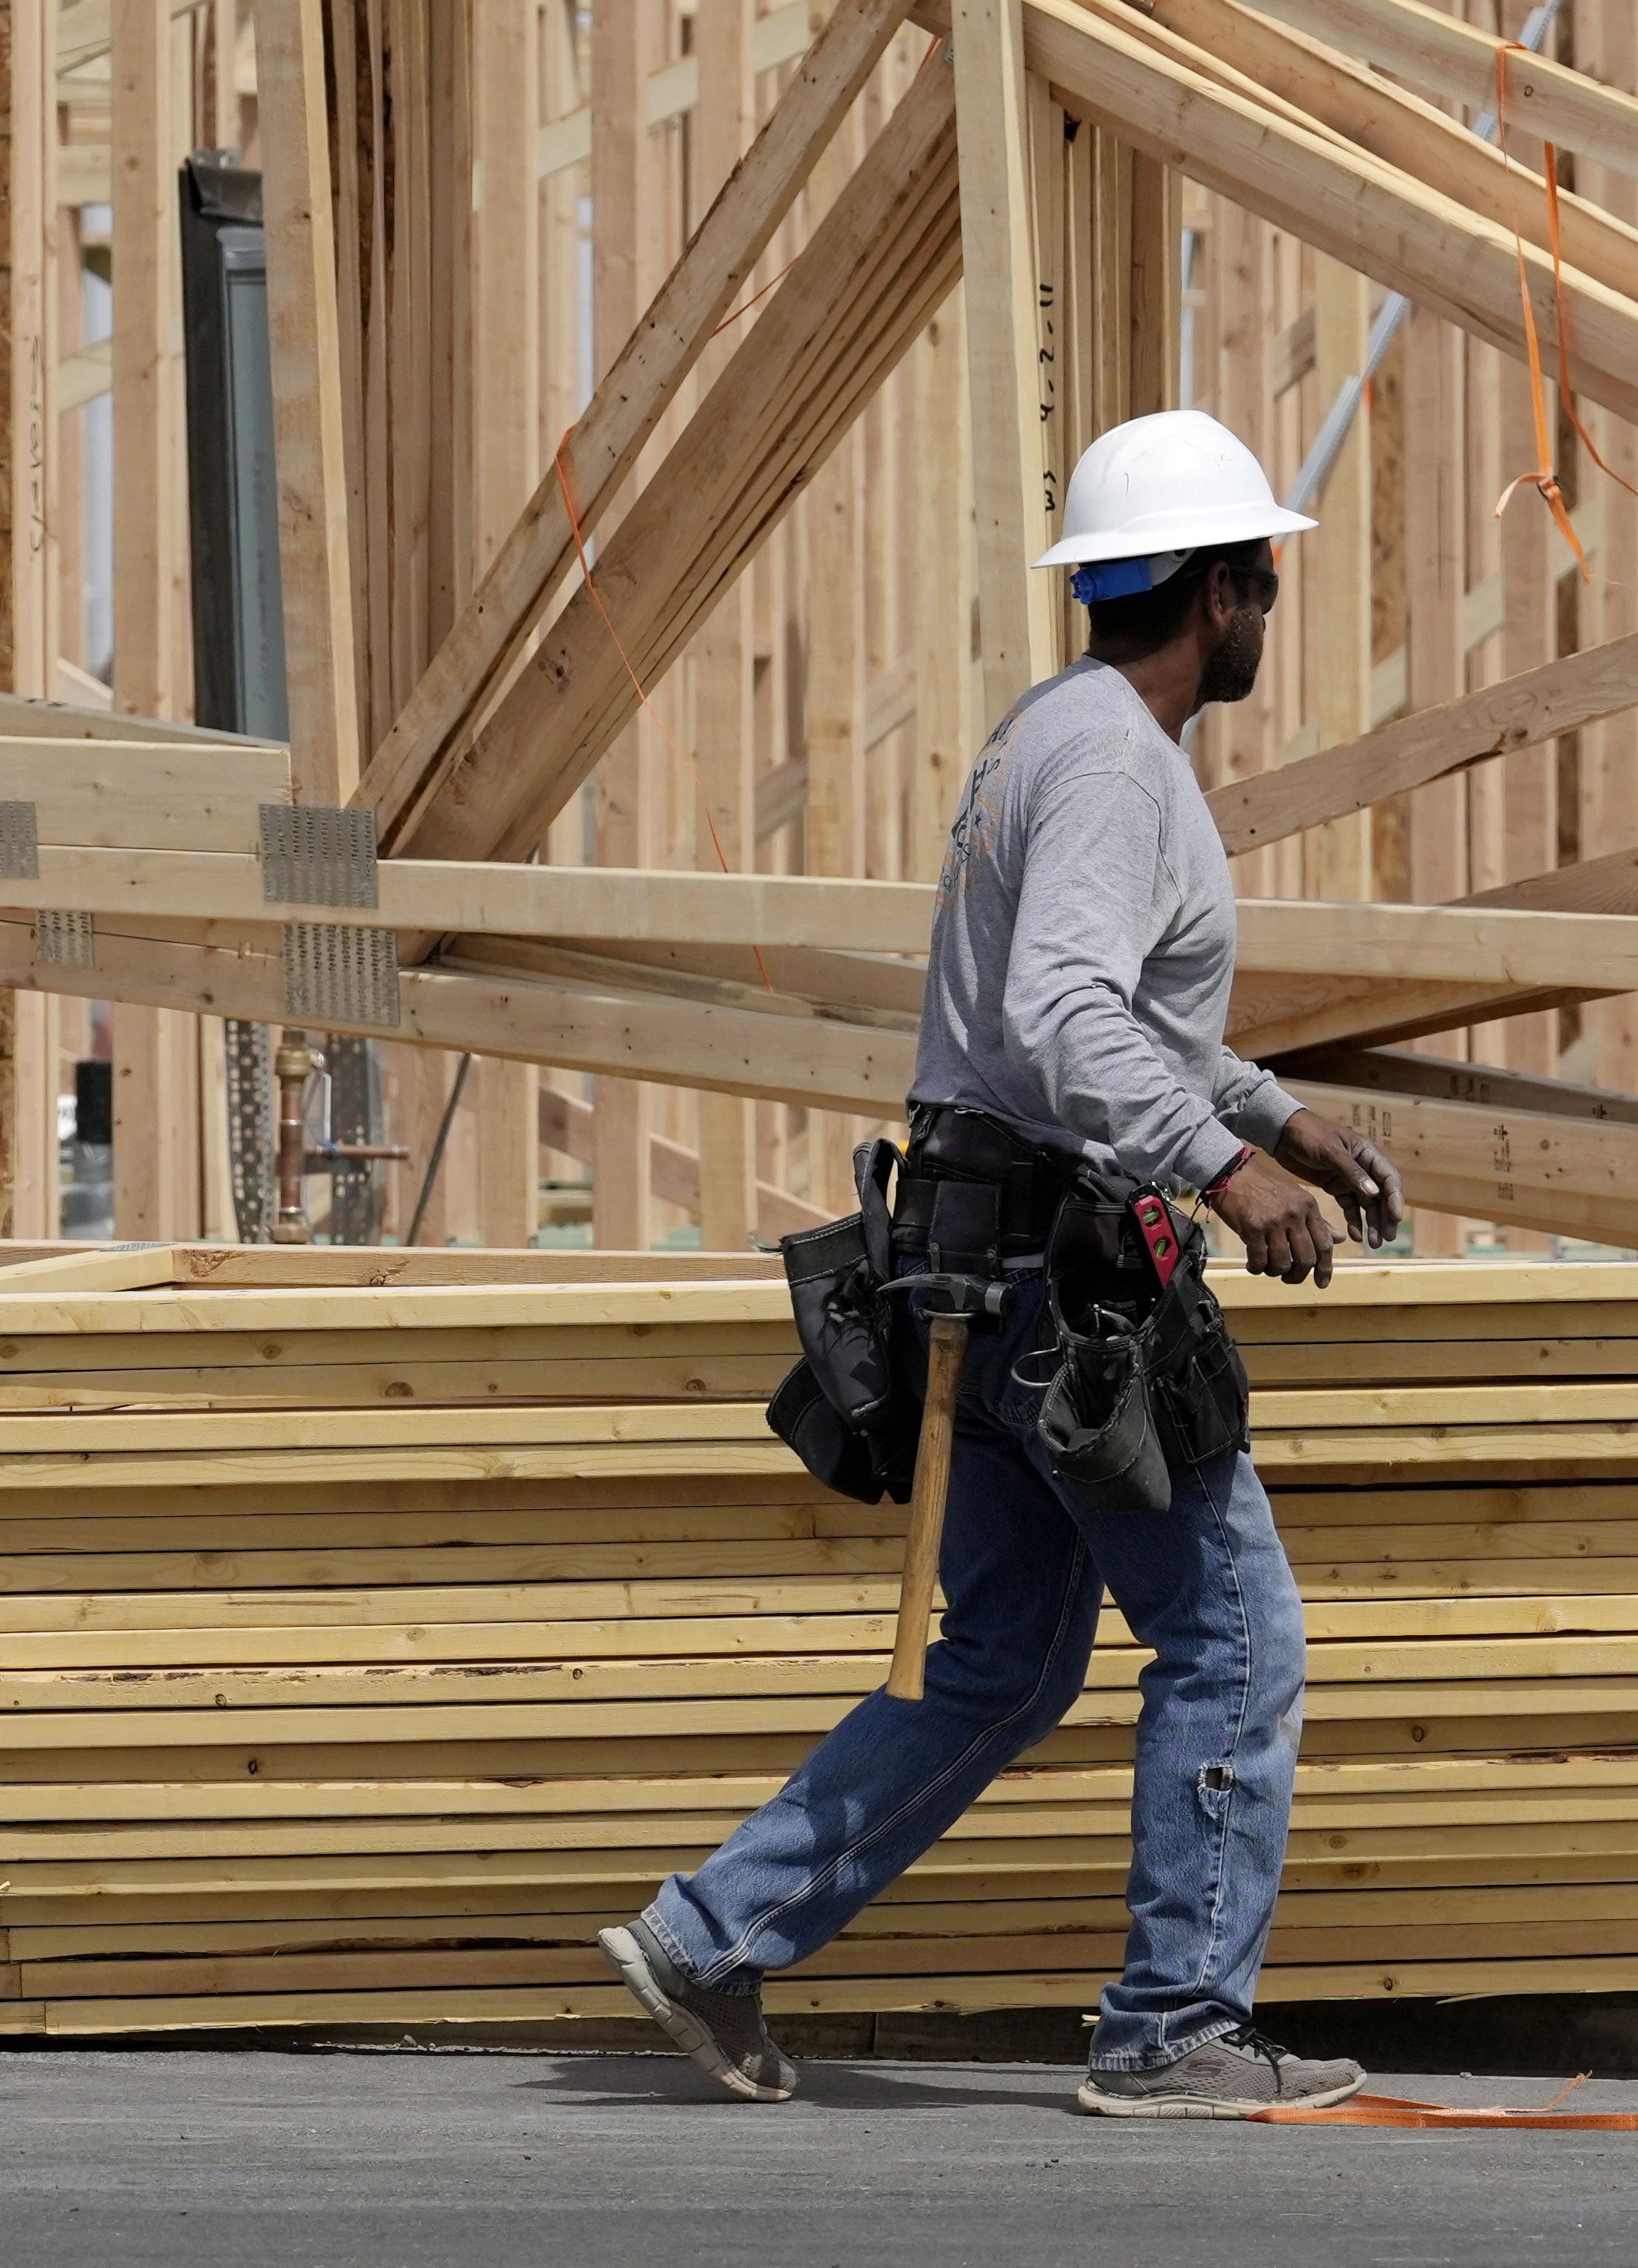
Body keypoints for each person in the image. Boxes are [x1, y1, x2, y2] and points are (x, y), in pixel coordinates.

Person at [599, 409, 1408, 2120]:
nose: (1272, 599)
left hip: (984, 1266)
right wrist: (1228, 1169)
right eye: (1261, 571)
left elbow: (1112, 1010)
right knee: (1234, 1633)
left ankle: (709, 1932)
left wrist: (1279, 1110)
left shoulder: (1061, 730)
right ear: (1217, 587)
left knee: (1001, 1658)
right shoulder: (1117, 763)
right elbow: (1056, 1013)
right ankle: (1175, 2020)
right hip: (1060, 1275)